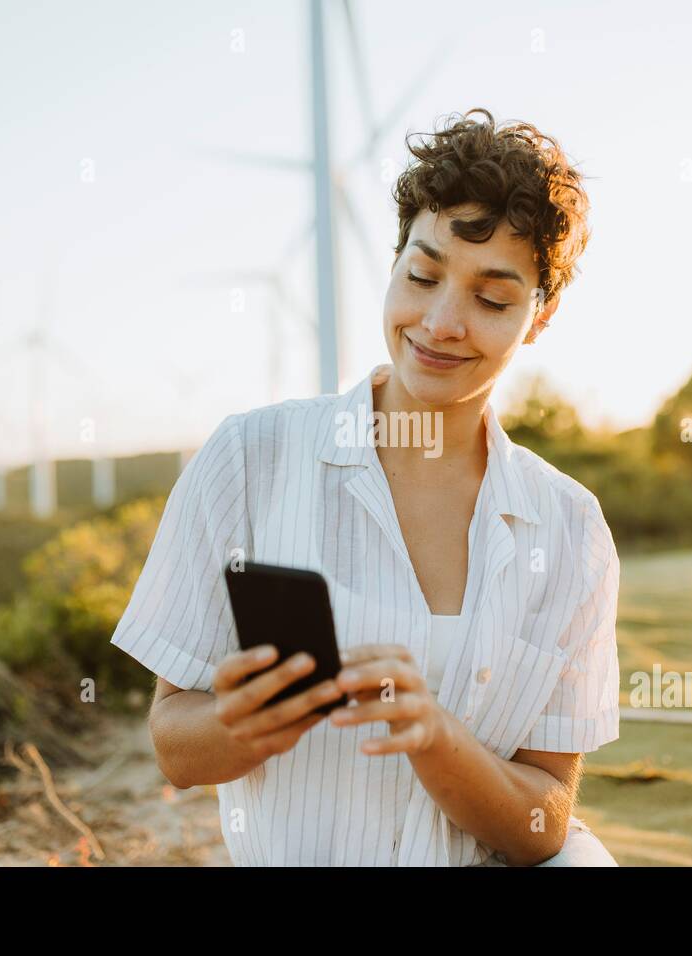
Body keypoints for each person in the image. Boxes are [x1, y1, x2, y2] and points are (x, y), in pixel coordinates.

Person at [111, 107, 621, 866]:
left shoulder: (571, 530)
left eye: (492, 299)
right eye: (422, 275)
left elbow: (545, 819)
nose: (442, 322)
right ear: (393, 263)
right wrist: (247, 723)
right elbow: (176, 750)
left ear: (539, 318)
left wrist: (439, 739)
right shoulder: (248, 458)